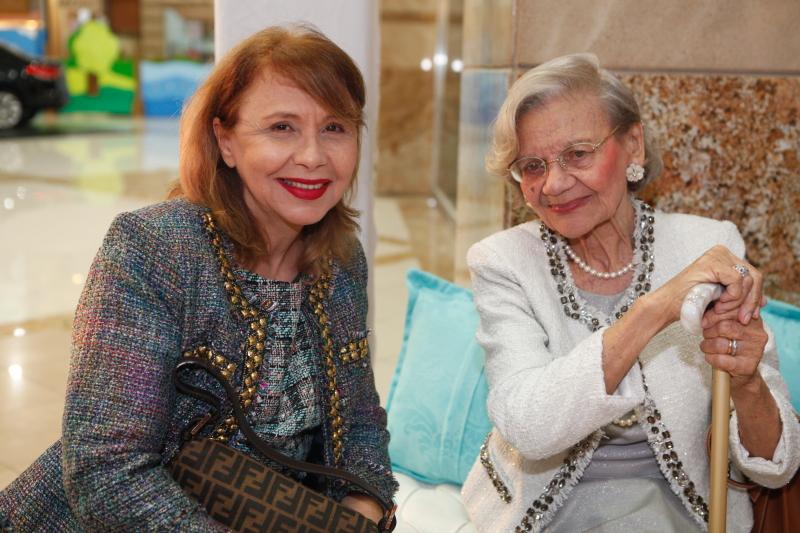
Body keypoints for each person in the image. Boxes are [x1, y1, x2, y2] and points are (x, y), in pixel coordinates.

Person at [0, 25, 397, 531]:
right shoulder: (157, 248)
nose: (313, 156)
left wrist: (363, 509)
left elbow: (359, 421)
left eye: (335, 127)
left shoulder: (341, 261)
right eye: (282, 127)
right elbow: (106, 472)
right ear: (225, 140)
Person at [460, 53, 799, 532]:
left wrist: (747, 383)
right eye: (532, 166)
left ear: (633, 146)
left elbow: (776, 466)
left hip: (679, 511)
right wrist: (655, 308)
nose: (554, 184)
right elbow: (528, 427)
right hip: (541, 514)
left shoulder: (709, 247)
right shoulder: (503, 261)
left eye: (578, 153)